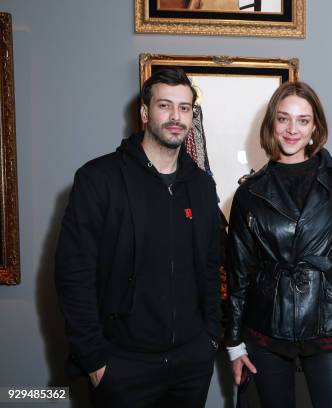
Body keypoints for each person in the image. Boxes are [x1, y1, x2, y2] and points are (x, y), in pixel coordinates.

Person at [55, 67, 222, 408]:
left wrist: (210, 340)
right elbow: (75, 275)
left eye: (185, 108)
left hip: (191, 364)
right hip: (122, 366)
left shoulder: (201, 186)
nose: (176, 116)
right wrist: (95, 361)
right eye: (165, 105)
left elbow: (209, 267)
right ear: (145, 112)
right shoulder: (98, 179)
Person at [225, 81, 332, 408]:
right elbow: (238, 272)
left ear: (315, 126)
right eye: (284, 118)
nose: (292, 129)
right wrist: (234, 344)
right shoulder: (249, 193)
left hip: (329, 324)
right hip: (265, 328)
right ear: (272, 122)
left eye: (303, 120)